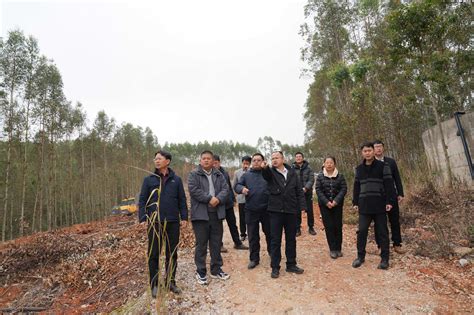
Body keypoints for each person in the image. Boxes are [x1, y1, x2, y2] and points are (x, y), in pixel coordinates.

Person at [138, 150, 188, 297]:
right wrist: (142, 218)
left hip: (172, 222)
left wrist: (184, 217)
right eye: (155, 159)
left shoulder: (176, 180)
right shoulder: (149, 180)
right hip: (155, 222)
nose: (156, 161)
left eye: (159, 158)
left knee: (172, 253)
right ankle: (154, 284)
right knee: (153, 253)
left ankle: (170, 282)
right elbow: (142, 200)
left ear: (168, 161)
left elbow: (182, 200)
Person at [261, 151, 306, 279]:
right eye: (272, 158)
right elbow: (266, 175)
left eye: (277, 158)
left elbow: (299, 190)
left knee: (291, 239)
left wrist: (302, 207)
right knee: (275, 240)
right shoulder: (270, 172)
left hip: (291, 211)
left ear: (283, 159)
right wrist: (264, 167)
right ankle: (275, 267)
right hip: (275, 211)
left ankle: (291, 264)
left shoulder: (292, 172)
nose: (274, 160)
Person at [188, 150, 230, 285]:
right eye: (204, 158)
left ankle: (216, 269)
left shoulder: (219, 174)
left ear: (213, 161)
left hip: (216, 213)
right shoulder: (194, 174)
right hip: (201, 214)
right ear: (200, 160)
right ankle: (200, 271)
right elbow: (193, 190)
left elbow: (226, 189)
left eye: (209, 159)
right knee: (201, 244)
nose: (206, 160)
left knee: (216, 243)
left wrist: (218, 199)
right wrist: (209, 198)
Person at [352, 142, 396, 270]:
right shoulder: (359, 169)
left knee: (382, 232)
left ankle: (385, 259)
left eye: (369, 150)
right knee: (362, 231)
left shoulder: (383, 166)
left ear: (373, 151)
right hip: (364, 206)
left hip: (380, 205)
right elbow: (356, 187)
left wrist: (389, 201)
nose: (367, 153)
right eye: (365, 151)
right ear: (362, 153)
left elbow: (389, 185)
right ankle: (360, 257)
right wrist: (355, 202)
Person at [235, 153, 271, 269]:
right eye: (254, 160)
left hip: (267, 209)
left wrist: (267, 168)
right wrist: (242, 189)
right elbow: (237, 186)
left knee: (270, 234)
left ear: (263, 161)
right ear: (251, 162)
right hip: (251, 209)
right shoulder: (246, 175)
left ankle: (273, 253)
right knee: (253, 236)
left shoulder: (268, 173)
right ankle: (254, 259)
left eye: (259, 160)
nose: (256, 162)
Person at [373, 140, 405, 254]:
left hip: (391, 195)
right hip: (378, 197)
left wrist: (400, 193)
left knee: (394, 220)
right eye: (376, 147)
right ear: (373, 149)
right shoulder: (371, 163)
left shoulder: (391, 162)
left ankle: (397, 244)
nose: (378, 149)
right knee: (379, 222)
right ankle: (380, 246)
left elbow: (397, 178)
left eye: (380, 146)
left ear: (383, 148)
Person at [213, 154, 248, 252]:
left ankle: (237, 243)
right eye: (213, 163)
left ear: (219, 162)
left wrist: (233, 198)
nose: (214, 165)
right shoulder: (210, 174)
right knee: (218, 225)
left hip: (228, 202)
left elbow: (229, 186)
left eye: (216, 163)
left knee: (232, 224)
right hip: (218, 203)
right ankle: (219, 245)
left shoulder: (224, 172)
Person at [315, 156, 347, 259]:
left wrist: (336, 201)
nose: (329, 164)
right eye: (327, 162)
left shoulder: (340, 176)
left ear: (335, 164)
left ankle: (338, 248)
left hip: (337, 205)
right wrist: (327, 202)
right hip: (325, 206)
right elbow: (318, 190)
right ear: (324, 164)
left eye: (331, 162)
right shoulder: (320, 177)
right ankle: (332, 249)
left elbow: (343, 189)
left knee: (338, 226)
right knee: (329, 227)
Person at [292, 152, 316, 236]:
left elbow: (311, 179)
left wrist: (306, 188)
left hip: (307, 192)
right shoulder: (292, 168)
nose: (298, 158)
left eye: (300, 156)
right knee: (297, 211)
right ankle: (297, 228)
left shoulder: (308, 168)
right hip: (297, 193)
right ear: (295, 158)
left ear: (303, 158)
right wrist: (297, 189)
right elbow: (291, 180)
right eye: (297, 157)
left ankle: (311, 227)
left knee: (309, 210)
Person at [233, 156, 252, 241]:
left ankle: (251, 233)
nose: (245, 165)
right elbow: (234, 185)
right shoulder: (237, 172)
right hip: (241, 199)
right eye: (244, 163)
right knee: (242, 217)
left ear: (250, 164)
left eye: (247, 163)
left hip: (251, 198)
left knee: (251, 217)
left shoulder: (253, 172)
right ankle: (243, 234)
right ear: (242, 163)